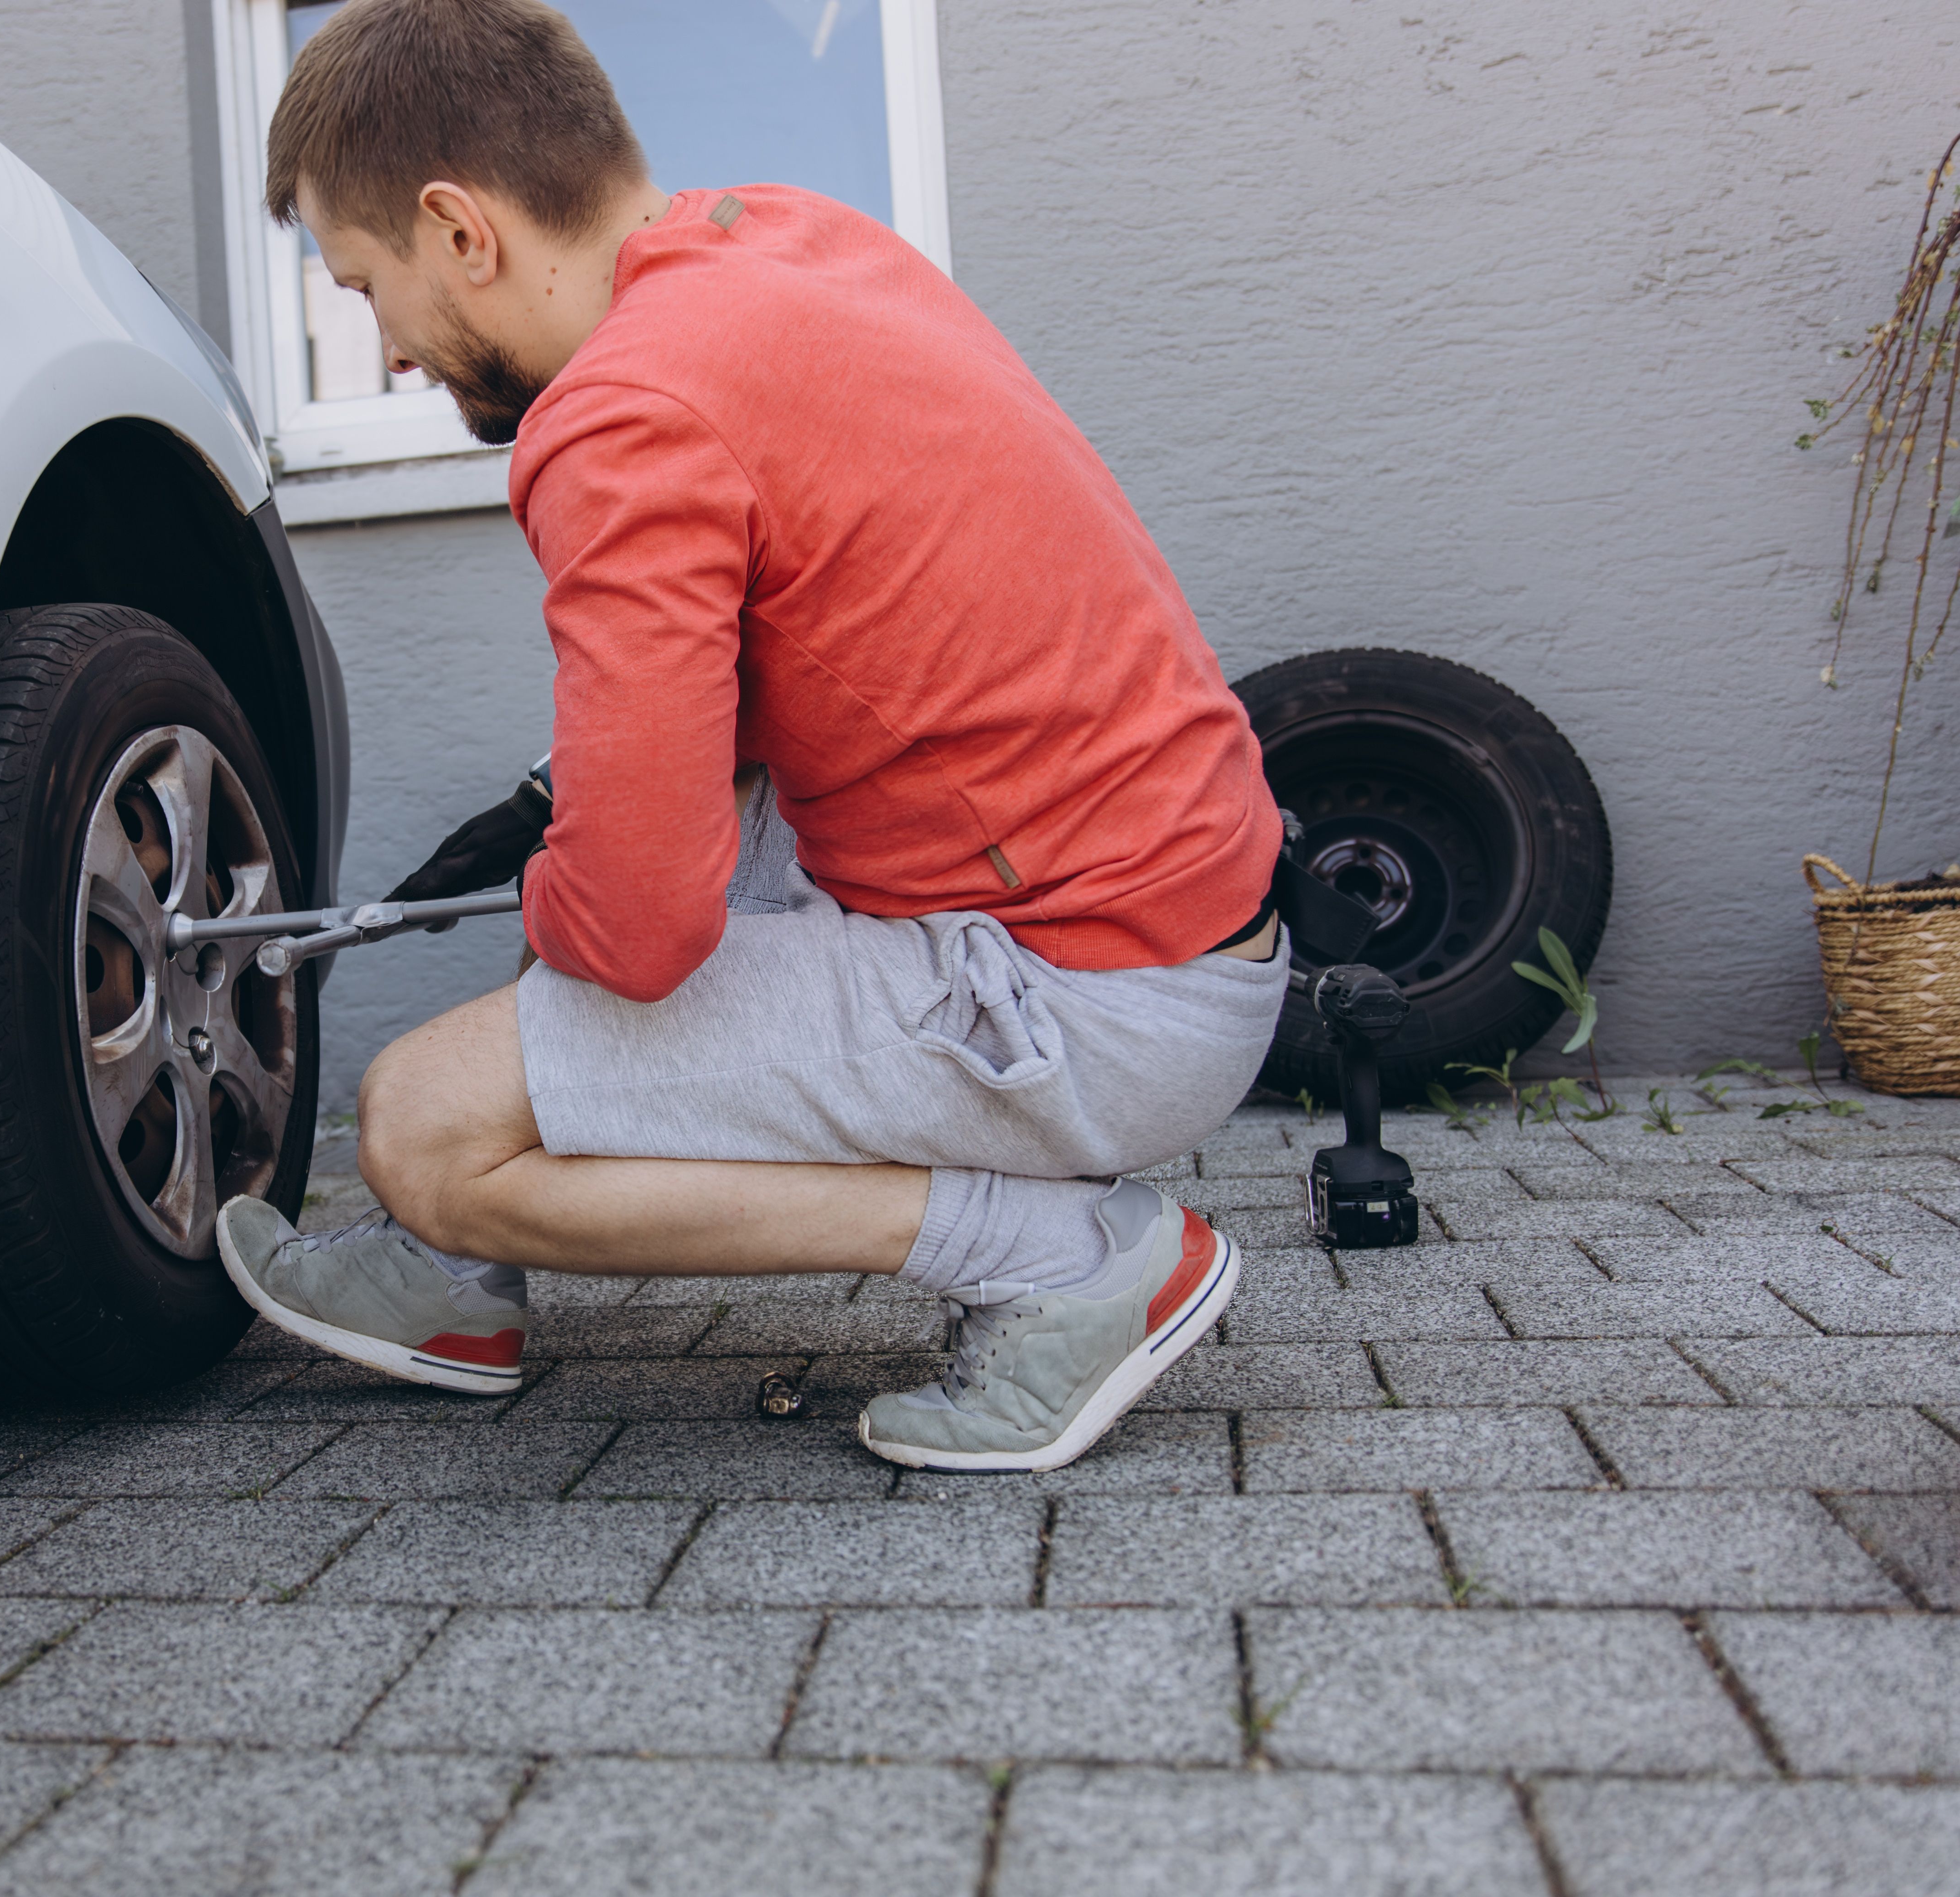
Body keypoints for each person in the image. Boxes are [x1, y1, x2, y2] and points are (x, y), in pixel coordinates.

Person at [215, 0, 1291, 1472]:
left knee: (425, 1122)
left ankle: (1069, 1261)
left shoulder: (620, 418)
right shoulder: (786, 239)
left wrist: (561, 889)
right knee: (607, 844)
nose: (388, 349)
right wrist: (589, 853)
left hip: (1095, 1001)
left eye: (364, 284)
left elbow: (643, 929)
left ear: (460, 231)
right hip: (1176, 908)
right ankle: (459, 1288)